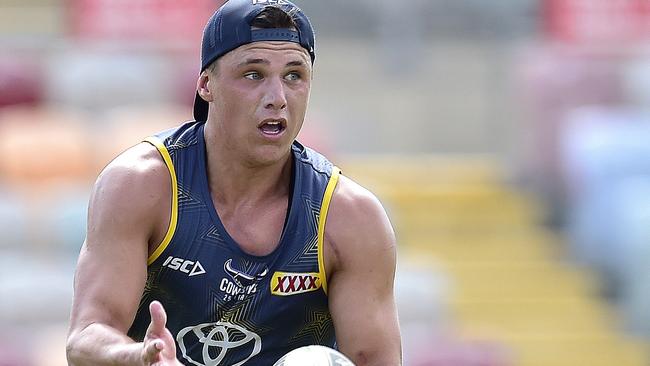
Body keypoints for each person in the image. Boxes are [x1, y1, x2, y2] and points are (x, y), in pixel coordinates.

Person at [66, 0, 402, 365]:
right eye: (253, 74)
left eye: (294, 75)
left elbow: (376, 358)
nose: (277, 98)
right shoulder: (141, 185)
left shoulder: (349, 217)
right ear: (206, 85)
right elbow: (85, 338)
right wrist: (137, 356)